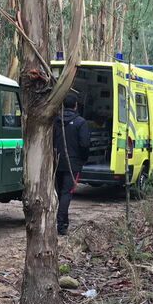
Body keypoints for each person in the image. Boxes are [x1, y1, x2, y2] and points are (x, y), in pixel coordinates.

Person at [52, 92, 90, 236]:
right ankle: (61, 225)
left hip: (57, 161)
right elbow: (85, 144)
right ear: (75, 105)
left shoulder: (56, 121)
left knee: (60, 193)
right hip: (72, 164)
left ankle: (63, 221)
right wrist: (83, 160)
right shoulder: (81, 122)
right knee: (66, 193)